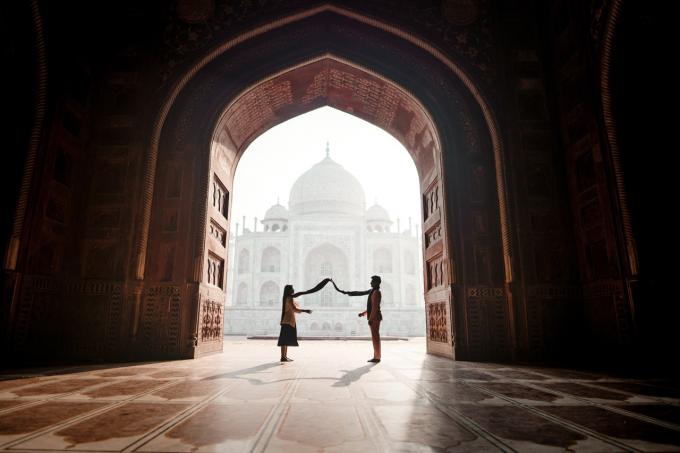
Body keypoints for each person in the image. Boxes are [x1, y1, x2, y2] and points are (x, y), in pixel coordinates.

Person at [278, 278, 330, 362]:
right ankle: (283, 357)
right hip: (288, 321)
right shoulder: (289, 298)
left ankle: (284, 356)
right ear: (289, 290)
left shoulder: (287, 298)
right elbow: (294, 309)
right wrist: (305, 311)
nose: (293, 290)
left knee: (285, 340)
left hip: (287, 321)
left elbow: (294, 305)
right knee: (285, 340)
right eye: (292, 289)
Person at [332, 276, 382, 363]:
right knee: (375, 337)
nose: (370, 283)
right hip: (374, 317)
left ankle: (377, 357)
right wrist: (364, 313)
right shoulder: (373, 291)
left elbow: (374, 308)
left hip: (375, 318)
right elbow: (371, 307)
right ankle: (376, 356)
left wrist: (370, 318)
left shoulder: (376, 293)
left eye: (372, 282)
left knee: (375, 337)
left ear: (377, 283)